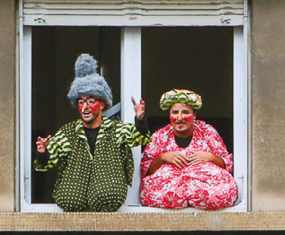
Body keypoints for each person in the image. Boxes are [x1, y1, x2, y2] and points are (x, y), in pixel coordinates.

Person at [35, 53, 147, 212]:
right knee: (69, 197)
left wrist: (140, 119)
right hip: (74, 200)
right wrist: (42, 151)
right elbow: (47, 162)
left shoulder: (116, 129)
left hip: (107, 197)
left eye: (91, 101)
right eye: (81, 102)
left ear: (102, 105)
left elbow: (139, 138)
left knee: (108, 194)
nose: (85, 107)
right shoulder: (68, 132)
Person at [139, 89, 238, 211]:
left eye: (185, 112)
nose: (180, 118)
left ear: (194, 115)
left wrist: (211, 157)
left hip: (204, 186)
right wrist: (163, 158)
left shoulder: (207, 132)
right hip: (169, 189)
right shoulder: (161, 135)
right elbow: (146, 170)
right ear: (169, 116)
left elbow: (227, 165)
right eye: (175, 112)